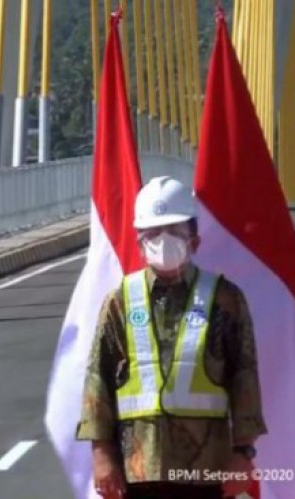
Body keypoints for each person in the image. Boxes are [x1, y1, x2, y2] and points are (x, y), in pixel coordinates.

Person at [76, 176, 267, 499]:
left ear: (194, 238)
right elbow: (98, 381)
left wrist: (243, 453)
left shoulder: (225, 299)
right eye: (153, 233)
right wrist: (101, 455)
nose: (164, 240)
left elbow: (244, 378)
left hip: (208, 470)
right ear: (139, 240)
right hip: (137, 469)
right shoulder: (120, 302)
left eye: (175, 230)